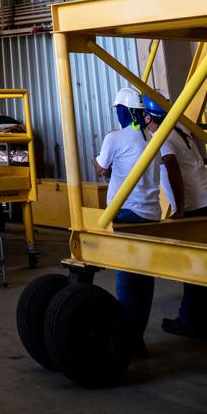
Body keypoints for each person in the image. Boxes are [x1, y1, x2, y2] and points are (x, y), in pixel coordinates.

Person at [95, 86, 178, 353]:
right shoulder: (154, 138)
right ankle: (136, 339)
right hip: (151, 215)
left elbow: (101, 169)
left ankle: (127, 342)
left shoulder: (114, 138)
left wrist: (104, 167)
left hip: (127, 215)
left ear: (121, 111)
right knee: (145, 280)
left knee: (128, 280)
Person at [144, 94, 207, 339]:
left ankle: (189, 319)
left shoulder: (163, 137)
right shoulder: (180, 130)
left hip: (192, 206)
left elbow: (171, 167)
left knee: (191, 266)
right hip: (204, 200)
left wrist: (179, 207)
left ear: (149, 116)